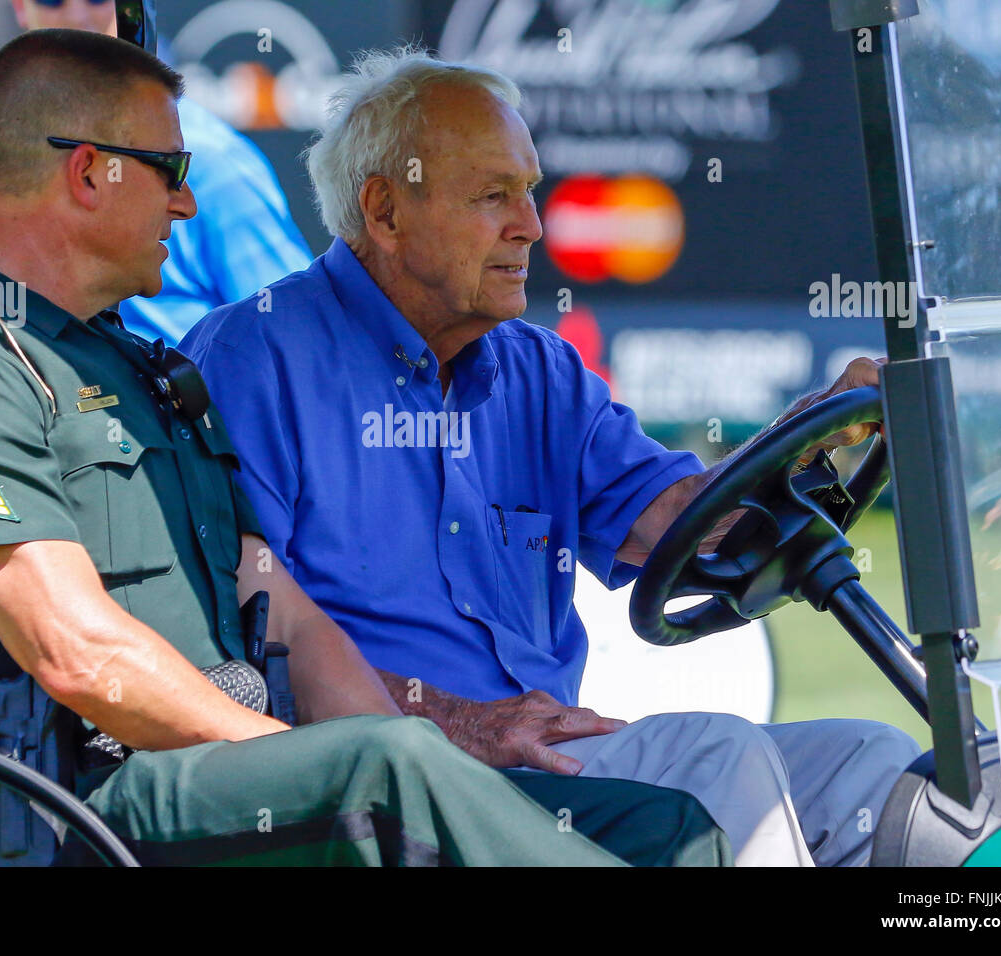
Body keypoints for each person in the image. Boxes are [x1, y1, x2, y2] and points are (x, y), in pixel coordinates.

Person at [0, 29, 731, 867]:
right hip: (69, 807)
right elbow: (80, 657)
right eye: (170, 169)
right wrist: (313, 756)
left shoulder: (147, 374)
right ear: (90, 173)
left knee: (663, 824)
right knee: (387, 769)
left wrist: (400, 746)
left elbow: (286, 612)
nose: (186, 201)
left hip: (216, 780)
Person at [184, 48, 922, 867]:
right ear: (385, 213)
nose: (531, 225)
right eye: (493, 195)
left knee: (872, 760)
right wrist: (461, 724)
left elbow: (689, 523)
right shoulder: (255, 360)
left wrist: (818, 429)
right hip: (382, 789)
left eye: (528, 191)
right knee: (720, 762)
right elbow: (237, 648)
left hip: (541, 769)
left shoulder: (539, 370)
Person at [8, 0, 312, 346]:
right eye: (52, 0)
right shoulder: (13, 149)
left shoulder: (212, 160)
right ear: (19, 6)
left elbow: (297, 338)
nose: (77, 17)